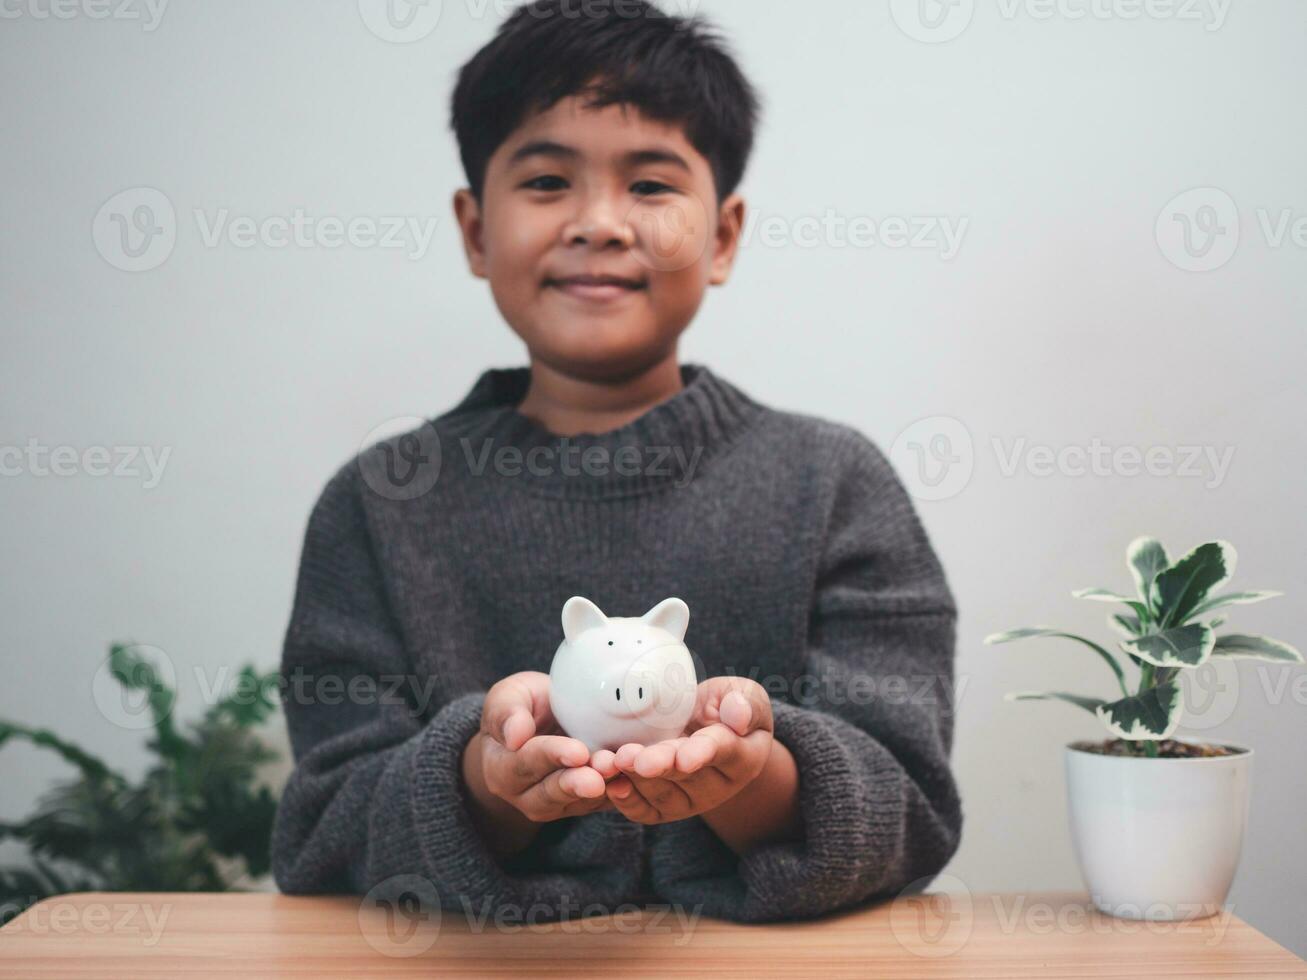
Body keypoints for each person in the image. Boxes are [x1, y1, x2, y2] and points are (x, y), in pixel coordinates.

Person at [271, 0, 962, 923]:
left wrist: (748, 774)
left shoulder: (832, 483)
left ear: (721, 235)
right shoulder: (379, 503)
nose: (599, 223)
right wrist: (484, 780)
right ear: (476, 230)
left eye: (649, 186)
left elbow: (910, 807)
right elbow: (323, 829)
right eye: (548, 180)